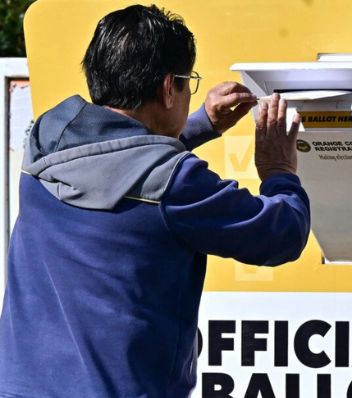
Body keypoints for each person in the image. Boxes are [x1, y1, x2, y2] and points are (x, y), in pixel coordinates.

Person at [0, 4, 310, 397]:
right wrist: (279, 169)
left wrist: (199, 124)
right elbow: (282, 233)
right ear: (168, 88)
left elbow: (114, 162)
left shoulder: (46, 139)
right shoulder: (177, 184)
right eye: (187, 82)